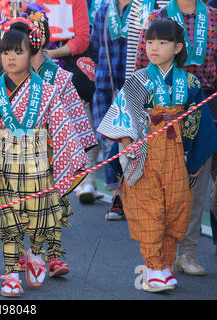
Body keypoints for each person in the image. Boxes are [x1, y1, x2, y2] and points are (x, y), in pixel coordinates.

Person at [97, 18, 217, 292]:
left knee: (176, 209)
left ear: (177, 47)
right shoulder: (138, 80)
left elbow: (199, 122)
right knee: (151, 209)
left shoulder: (190, 82)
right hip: (145, 152)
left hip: (177, 154)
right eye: (150, 42)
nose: (154, 47)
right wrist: (126, 141)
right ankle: (152, 266)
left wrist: (196, 160)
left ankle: (166, 265)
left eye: (162, 42)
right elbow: (123, 115)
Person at [0, 18, 87, 297]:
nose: (11, 57)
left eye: (19, 52)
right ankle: (11, 273)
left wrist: (68, 157)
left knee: (39, 218)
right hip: (6, 165)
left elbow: (62, 128)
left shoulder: (47, 91)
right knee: (9, 221)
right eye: (6, 52)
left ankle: (36, 253)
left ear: (32, 54)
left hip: (39, 164)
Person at [135, 0, 217, 276]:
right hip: (159, 107)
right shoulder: (157, 17)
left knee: (195, 183)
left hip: (203, 104)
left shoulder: (214, 18)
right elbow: (139, 66)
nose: (154, 45)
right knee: (158, 190)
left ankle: (188, 252)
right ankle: (158, 257)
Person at [23, 4, 97, 278]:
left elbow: (76, 117)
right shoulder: (10, 78)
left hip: (55, 150)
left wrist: (74, 148)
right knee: (22, 206)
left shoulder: (61, 77)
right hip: (22, 152)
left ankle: (52, 255)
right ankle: (26, 252)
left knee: (54, 203)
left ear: (43, 39)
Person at [85, 0, 132, 220]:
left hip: (135, 86)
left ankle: (130, 198)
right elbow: (95, 45)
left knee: (129, 144)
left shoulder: (144, 7)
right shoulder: (104, 9)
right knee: (107, 141)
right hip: (105, 84)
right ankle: (117, 198)